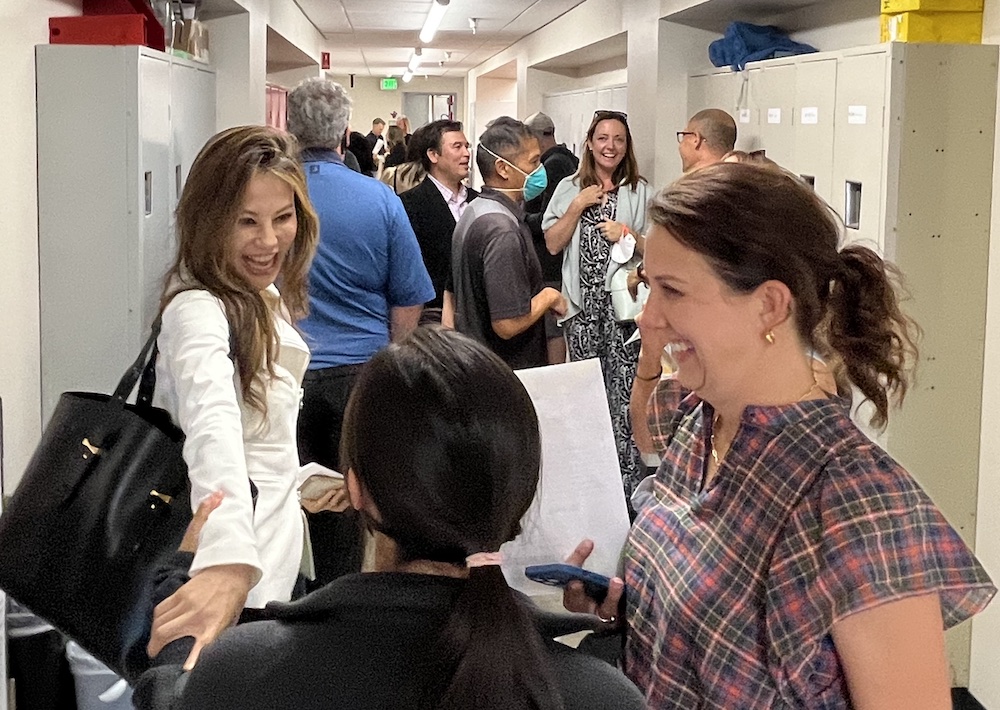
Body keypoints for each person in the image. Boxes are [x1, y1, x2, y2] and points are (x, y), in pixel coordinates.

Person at [566, 163, 996, 709]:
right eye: (650, 287)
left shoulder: (858, 506)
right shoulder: (699, 421)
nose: (647, 318)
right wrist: (636, 600)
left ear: (769, 304)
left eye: (673, 291)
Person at [133, 328, 646, 710]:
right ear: (521, 495)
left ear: (356, 489)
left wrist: (177, 612)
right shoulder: (602, 696)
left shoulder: (246, 673)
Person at [146, 126, 321, 670]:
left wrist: (300, 481)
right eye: (247, 221)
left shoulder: (255, 293)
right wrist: (226, 563)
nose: (268, 241)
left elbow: (254, 440)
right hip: (235, 582)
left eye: (282, 217)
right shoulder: (198, 309)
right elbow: (212, 429)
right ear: (209, 219)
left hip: (267, 563)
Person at [286, 78, 435, 587]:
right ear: (344, 134)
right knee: (349, 502)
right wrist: (391, 358)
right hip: (359, 376)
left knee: (285, 499)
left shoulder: (275, 198)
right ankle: (338, 596)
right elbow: (409, 295)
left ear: (289, 129)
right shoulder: (380, 200)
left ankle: (288, 604)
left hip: (287, 375)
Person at [542, 110, 652, 498]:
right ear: (589, 142)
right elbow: (553, 243)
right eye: (603, 138)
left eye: (618, 139)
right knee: (588, 396)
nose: (610, 146)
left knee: (624, 399)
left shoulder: (640, 191)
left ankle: (626, 487)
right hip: (583, 313)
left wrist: (630, 234)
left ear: (627, 146)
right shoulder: (571, 187)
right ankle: (590, 484)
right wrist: (578, 206)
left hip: (624, 314)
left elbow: (656, 251)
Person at [451, 116, 566, 369]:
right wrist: (548, 297)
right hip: (503, 369)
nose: (540, 170)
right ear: (503, 169)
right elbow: (507, 323)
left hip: (477, 362)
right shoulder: (501, 229)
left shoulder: (475, 209)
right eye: (533, 162)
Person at [399, 119, 477, 316]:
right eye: (457, 147)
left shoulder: (478, 201)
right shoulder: (410, 205)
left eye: (466, 147)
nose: (466, 154)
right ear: (433, 155)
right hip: (434, 315)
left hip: (479, 315)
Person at [524, 111, 579, 365]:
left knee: (553, 329)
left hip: (551, 262)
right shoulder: (570, 160)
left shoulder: (555, 165)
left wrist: (520, 217)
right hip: (556, 260)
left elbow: (549, 218)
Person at [676, 108, 737, 172]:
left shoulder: (695, 181)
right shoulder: (743, 177)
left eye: (684, 135)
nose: (681, 144)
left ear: (696, 139)